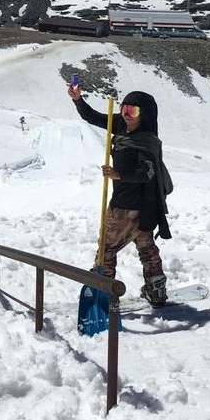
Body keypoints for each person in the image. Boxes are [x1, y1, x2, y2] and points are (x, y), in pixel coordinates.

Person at [68, 80, 171, 307]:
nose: (126, 114)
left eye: (132, 111)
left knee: (106, 250)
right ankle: (156, 292)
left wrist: (118, 174)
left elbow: (147, 172)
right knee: (147, 249)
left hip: (127, 208)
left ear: (144, 115)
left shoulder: (145, 141)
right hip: (144, 207)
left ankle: (103, 296)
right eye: (124, 108)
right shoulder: (122, 126)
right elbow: (93, 117)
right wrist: (77, 99)